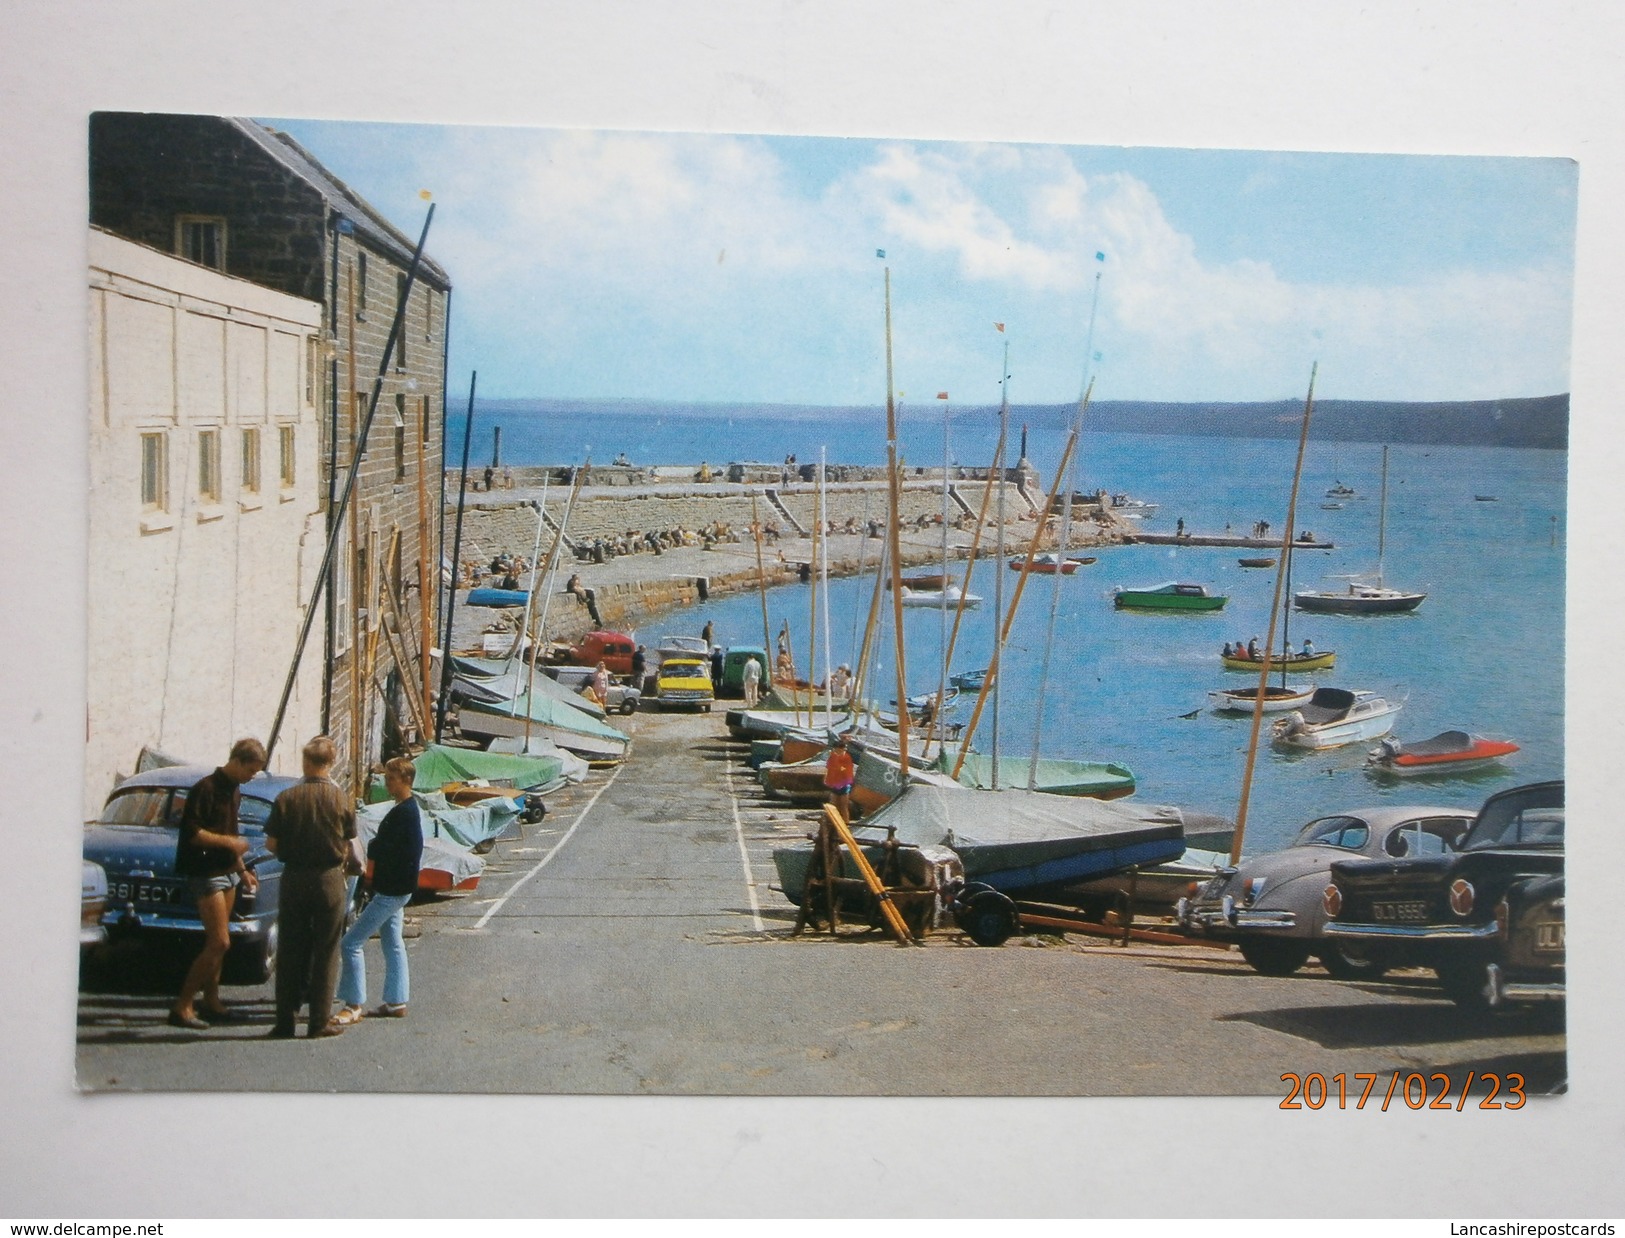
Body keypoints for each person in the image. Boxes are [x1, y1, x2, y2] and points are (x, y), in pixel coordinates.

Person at [264, 735, 362, 1040]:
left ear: (306, 762)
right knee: (327, 949)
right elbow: (348, 843)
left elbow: (271, 844)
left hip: (294, 877)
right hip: (329, 878)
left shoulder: (286, 798)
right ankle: (319, 1020)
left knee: (290, 948)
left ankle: (285, 1021)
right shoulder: (341, 799)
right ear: (330, 763)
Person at [167, 737, 268, 1030]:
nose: (251, 777)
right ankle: (182, 1006)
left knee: (221, 944)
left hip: (227, 871)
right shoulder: (206, 788)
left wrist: (242, 869)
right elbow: (193, 834)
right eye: (250, 770)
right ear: (236, 761)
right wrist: (231, 843)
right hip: (204, 871)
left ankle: (212, 1002)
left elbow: (229, 830)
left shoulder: (234, 790)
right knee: (219, 941)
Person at [332, 757, 423, 1026]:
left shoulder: (405, 813)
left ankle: (353, 1003)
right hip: (398, 889)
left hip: (391, 890)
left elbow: (402, 853)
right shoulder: (405, 809)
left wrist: (375, 859)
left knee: (350, 943)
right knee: (393, 942)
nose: (386, 782)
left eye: (391, 778)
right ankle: (397, 1000)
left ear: (405, 780)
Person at [823, 735, 856, 823]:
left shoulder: (847, 758)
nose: (836, 751)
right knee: (833, 805)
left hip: (844, 784)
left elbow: (846, 770)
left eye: (838, 750)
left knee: (844, 806)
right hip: (835, 783)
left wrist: (838, 766)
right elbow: (829, 767)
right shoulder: (833, 756)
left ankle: (846, 823)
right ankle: (831, 822)